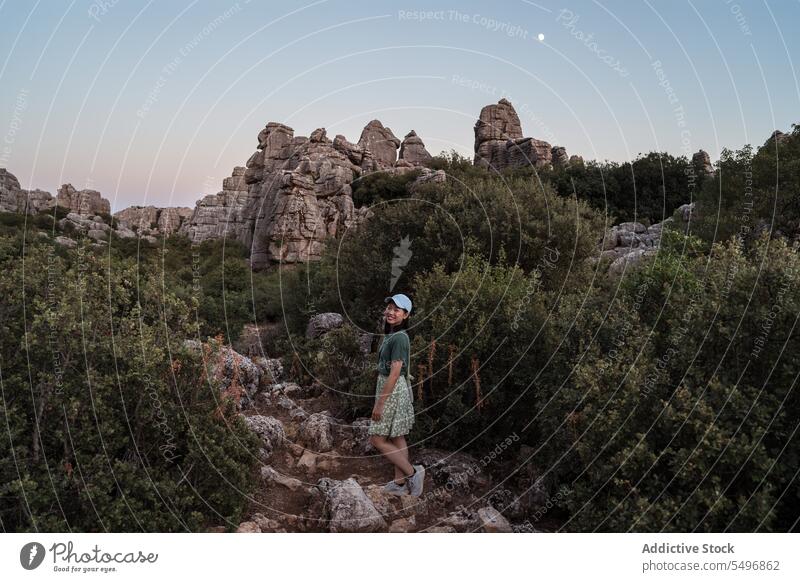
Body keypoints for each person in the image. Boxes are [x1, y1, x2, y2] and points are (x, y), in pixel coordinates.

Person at [368, 293, 425, 497]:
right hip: (391, 388)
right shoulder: (392, 334)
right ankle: (399, 484)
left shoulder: (400, 337)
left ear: (406, 314)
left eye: (396, 309)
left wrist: (379, 405)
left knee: (377, 439)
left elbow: (394, 372)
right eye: (389, 308)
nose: (391, 312)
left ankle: (412, 474)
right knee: (397, 436)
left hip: (392, 390)